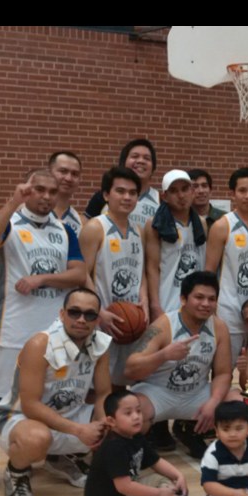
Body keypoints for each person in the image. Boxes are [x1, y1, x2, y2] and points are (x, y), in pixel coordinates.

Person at [0, 169, 86, 494]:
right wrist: (12, 203)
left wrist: (42, 279)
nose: (47, 196)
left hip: (55, 332)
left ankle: (53, 455)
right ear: (27, 190)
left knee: (51, 395)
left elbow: (78, 274)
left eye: (52, 191)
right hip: (13, 329)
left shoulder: (65, 230)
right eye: (39, 189)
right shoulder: (11, 223)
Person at [0, 288, 112, 496]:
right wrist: (79, 430)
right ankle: (16, 473)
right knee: (37, 438)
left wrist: (105, 425)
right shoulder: (40, 345)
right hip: (21, 418)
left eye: (90, 314)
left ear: (97, 319)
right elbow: (30, 405)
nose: (81, 319)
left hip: (69, 416)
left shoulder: (100, 345)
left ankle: (58, 459)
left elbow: (104, 393)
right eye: (74, 312)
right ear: (62, 314)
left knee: (125, 416)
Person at [124, 271, 239, 457]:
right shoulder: (163, 325)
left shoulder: (219, 327)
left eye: (211, 299)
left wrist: (213, 402)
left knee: (240, 403)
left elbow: (223, 373)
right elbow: (130, 369)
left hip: (195, 394)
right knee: (129, 413)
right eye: (199, 297)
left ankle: (191, 430)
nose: (205, 304)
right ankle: (136, 453)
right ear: (183, 299)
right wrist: (163, 355)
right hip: (158, 393)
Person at [84, 391, 207, 496]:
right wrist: (159, 493)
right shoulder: (114, 447)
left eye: (138, 411)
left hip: (127, 492)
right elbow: (124, 487)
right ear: (112, 421)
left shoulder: (135, 435)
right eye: (128, 413)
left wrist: (179, 476)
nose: (136, 417)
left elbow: (156, 462)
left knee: (163, 480)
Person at [79, 166, 148, 389]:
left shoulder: (139, 230)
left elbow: (141, 273)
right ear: (106, 195)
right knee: (97, 385)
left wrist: (144, 302)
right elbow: (82, 275)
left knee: (122, 381)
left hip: (129, 319)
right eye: (120, 191)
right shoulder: (94, 228)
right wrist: (99, 312)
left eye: (132, 192)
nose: (127, 197)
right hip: (102, 319)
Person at [204, 168, 248, 369]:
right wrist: (212, 310)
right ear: (232, 193)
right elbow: (209, 272)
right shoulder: (222, 226)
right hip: (228, 310)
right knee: (224, 369)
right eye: (242, 190)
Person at [145, 169, 207, 321]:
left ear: (192, 191)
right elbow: (152, 268)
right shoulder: (154, 224)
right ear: (165, 196)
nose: (181, 195)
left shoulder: (202, 223)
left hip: (195, 302)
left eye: (185, 189)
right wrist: (155, 305)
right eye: (173, 191)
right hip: (166, 301)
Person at [85, 139, 160, 229]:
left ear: (153, 167)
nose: (141, 161)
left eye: (147, 158)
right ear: (123, 162)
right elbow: (86, 224)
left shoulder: (161, 200)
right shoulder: (103, 195)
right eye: (135, 156)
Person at [48, 151, 86, 235]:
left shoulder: (83, 223)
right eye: (63, 171)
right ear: (49, 172)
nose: (69, 178)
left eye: (75, 174)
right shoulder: (27, 212)